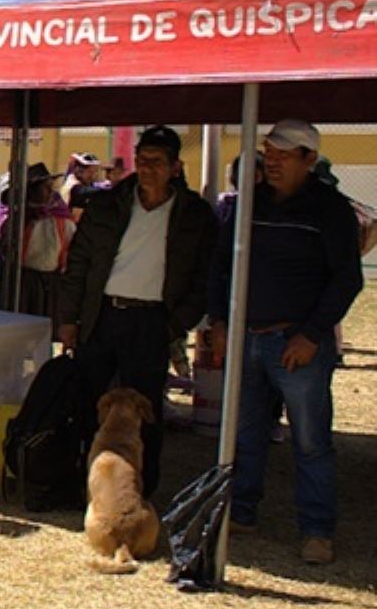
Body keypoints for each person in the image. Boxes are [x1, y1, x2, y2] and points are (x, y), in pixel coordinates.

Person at [206, 120, 362, 565]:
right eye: (268, 152)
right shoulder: (246, 204)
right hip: (245, 337)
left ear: (309, 160)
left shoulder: (331, 210)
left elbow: (347, 279)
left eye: (283, 154)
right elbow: (221, 264)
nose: (272, 161)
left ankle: (317, 529)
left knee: (310, 440)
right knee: (245, 433)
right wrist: (218, 318)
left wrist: (311, 335)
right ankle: (243, 512)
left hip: (298, 345)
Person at [58, 127, 216, 501]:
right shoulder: (108, 205)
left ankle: (139, 489)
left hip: (152, 321)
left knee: (145, 412)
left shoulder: (194, 215)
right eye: (142, 161)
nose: (147, 170)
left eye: (156, 163)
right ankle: (83, 483)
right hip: (102, 316)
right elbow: (78, 263)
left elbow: (205, 277)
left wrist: (176, 324)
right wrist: (68, 318)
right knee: (88, 403)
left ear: (175, 167)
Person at [0, 163, 73, 322]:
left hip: (50, 284)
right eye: (45, 187)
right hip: (22, 284)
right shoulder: (17, 222)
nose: (51, 192)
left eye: (51, 187)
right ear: (31, 191)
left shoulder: (61, 221)